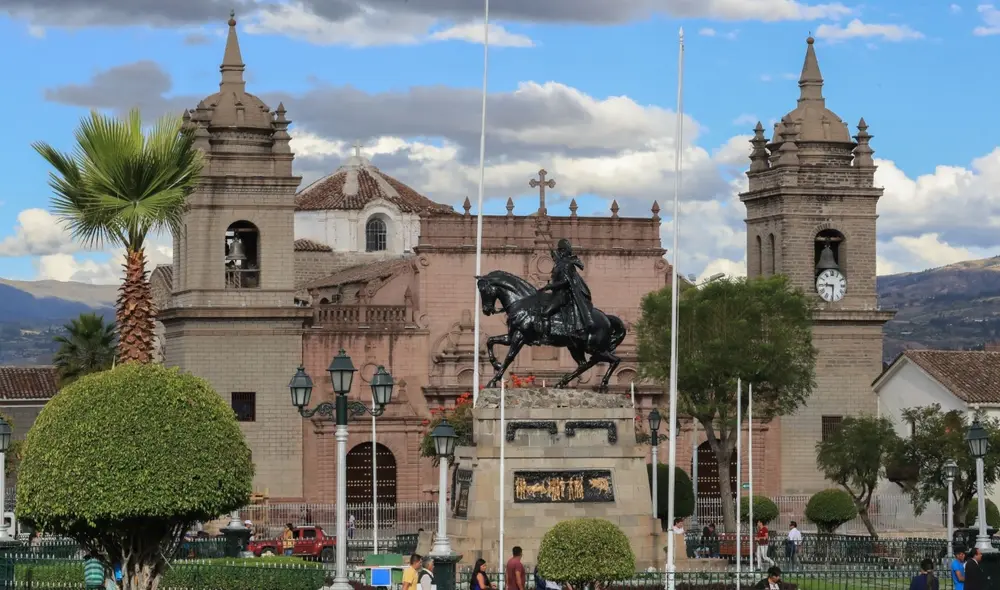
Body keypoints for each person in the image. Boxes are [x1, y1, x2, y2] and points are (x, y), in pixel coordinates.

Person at [538, 239, 594, 337]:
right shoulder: (560, 264)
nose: (558, 253)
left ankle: (545, 337)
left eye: (559, 251)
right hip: (556, 293)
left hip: (562, 295)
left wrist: (549, 286)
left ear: (563, 251)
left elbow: (565, 281)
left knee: (545, 313)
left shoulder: (567, 264)